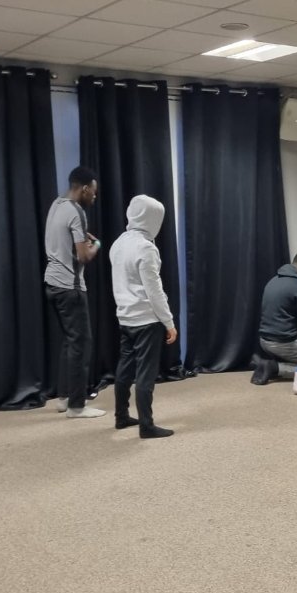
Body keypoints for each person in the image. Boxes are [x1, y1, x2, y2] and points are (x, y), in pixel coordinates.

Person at [109, 195, 178, 439]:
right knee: (146, 374)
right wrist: (169, 322)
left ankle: (121, 416)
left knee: (125, 369)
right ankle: (147, 426)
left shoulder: (118, 243)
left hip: (125, 317)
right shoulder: (146, 248)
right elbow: (154, 290)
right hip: (147, 321)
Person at [44, 166, 105, 419]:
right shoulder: (77, 212)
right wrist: (97, 245)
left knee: (70, 342)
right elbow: (83, 256)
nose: (94, 196)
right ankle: (77, 406)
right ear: (84, 188)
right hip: (71, 287)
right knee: (81, 344)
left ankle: (64, 397)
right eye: (93, 191)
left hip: (52, 284)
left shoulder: (56, 205)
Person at [251, 250, 297, 394]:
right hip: (282, 342)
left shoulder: (272, 281)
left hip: (263, 340)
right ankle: (275, 368)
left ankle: (274, 363)